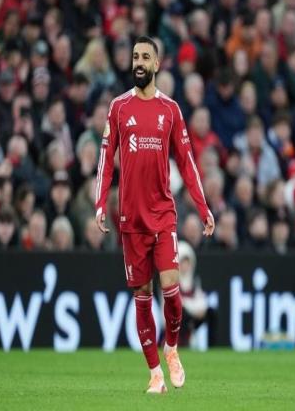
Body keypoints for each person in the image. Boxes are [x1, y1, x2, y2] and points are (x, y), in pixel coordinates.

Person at [95, 36, 214, 393]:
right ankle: (154, 374)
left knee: (173, 292)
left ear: (157, 64)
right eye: (135, 56)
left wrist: (203, 207)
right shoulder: (119, 107)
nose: (139, 62)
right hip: (131, 220)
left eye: (145, 57)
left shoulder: (171, 110)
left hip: (163, 215)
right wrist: (100, 203)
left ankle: (172, 348)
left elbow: (187, 162)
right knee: (142, 297)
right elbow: (106, 158)